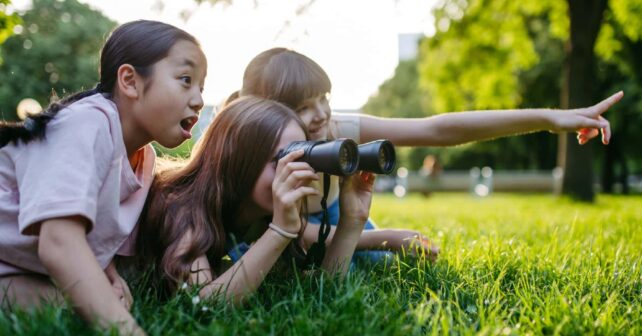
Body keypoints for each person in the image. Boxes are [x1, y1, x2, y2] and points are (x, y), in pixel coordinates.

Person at [225, 47, 624, 263]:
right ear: (265, 113)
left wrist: (550, 118)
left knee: (384, 266)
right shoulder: (254, 156)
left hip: (333, 214)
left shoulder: (337, 130)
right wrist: (383, 237)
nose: (321, 114)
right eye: (303, 106)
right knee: (298, 264)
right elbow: (293, 233)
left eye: (324, 98)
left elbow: (438, 129)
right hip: (283, 223)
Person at [0, 20, 207, 335]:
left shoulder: (142, 158)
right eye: (185, 79)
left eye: (201, 87)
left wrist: (106, 273)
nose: (199, 100)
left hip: (14, 267)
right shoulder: (87, 122)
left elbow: (87, 226)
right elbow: (58, 241)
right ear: (130, 81)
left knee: (78, 305)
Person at [137, 96, 374, 304]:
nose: (290, 172)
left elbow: (322, 293)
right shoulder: (180, 205)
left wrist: (351, 223)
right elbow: (199, 305)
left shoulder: (266, 215)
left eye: (302, 159)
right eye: (279, 160)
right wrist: (279, 231)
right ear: (236, 161)